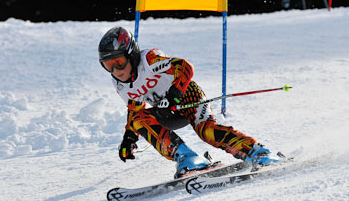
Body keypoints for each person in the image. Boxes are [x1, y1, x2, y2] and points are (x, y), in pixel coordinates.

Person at [98, 27, 281, 178]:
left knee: (206, 131)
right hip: (167, 111)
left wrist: (173, 95)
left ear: (131, 54)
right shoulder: (120, 84)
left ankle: (259, 153)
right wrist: (129, 137)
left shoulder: (150, 60)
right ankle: (189, 158)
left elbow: (185, 66)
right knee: (139, 119)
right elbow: (134, 108)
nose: (115, 70)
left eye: (119, 62)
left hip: (188, 97)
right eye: (108, 65)